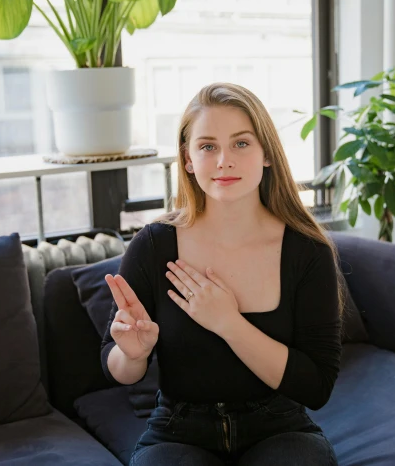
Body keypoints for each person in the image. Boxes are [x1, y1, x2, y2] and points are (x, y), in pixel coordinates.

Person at [101, 82, 345, 466]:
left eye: (241, 143)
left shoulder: (307, 251)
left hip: (279, 427)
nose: (223, 161)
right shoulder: (153, 246)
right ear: (187, 159)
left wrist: (228, 323)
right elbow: (117, 368)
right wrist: (133, 355)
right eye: (208, 146)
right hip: (178, 430)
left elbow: (316, 387)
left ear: (267, 154)